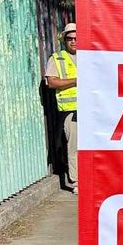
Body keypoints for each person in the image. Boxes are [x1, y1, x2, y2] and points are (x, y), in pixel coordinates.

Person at [45, 22, 78, 193]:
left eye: (76, 38)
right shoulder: (57, 59)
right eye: (70, 38)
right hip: (71, 111)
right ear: (64, 40)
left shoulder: (89, 57)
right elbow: (51, 82)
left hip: (91, 110)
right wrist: (75, 81)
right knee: (74, 147)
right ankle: (77, 182)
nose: (73, 41)